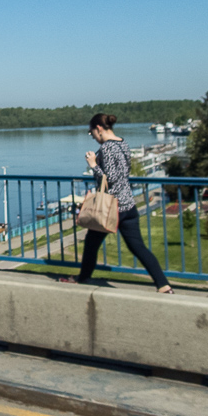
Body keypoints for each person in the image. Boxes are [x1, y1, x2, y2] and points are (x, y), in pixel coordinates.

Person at [59, 114, 174, 293]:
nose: (93, 137)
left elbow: (110, 179)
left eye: (92, 133)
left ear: (99, 129)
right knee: (138, 247)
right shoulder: (123, 143)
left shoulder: (107, 148)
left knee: (90, 244)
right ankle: (163, 285)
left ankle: (83, 277)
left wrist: (93, 165)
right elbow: (122, 174)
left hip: (111, 209)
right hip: (128, 205)